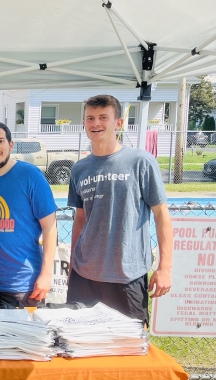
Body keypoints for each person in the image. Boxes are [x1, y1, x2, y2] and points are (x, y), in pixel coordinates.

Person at [67, 94, 172, 323]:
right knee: (79, 345)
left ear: (118, 123)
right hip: (84, 276)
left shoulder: (141, 162)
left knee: (128, 350)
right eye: (90, 118)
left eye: (103, 117)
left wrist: (165, 268)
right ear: (84, 123)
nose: (96, 123)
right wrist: (73, 267)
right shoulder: (79, 169)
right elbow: (80, 220)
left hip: (127, 276)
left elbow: (161, 215)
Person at [0, 121, 57, 307]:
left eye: (0, 141)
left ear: (11, 144)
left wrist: (46, 274)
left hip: (23, 284)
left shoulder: (31, 176)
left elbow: (50, 227)